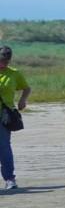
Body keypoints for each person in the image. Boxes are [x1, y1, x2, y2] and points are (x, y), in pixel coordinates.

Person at [0, 44, 28, 191]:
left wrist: (23, 100)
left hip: (4, 115)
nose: (3, 64)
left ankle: (10, 178)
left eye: (6, 61)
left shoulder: (14, 73)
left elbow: (26, 88)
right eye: (1, 60)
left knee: (4, 148)